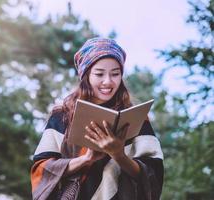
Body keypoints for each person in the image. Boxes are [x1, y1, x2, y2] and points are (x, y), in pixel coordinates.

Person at [30, 38, 164, 200]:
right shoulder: (62, 116)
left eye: (115, 73)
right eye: (99, 74)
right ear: (86, 75)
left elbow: (153, 175)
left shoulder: (137, 119)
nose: (108, 81)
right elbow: (41, 170)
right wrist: (87, 159)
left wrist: (118, 154)